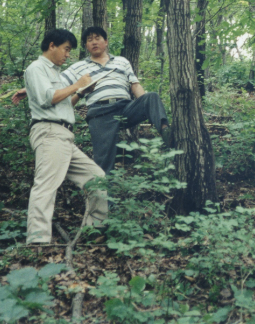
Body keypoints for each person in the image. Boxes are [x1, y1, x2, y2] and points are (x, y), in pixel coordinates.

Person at [11, 28, 108, 245]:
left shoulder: (56, 73)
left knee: (96, 178)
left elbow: (63, 103)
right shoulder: (36, 68)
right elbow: (48, 98)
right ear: (52, 45)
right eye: (65, 49)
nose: (67, 55)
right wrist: (77, 85)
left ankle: (94, 232)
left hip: (64, 136)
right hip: (49, 133)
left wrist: (81, 92)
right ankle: (37, 241)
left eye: (71, 51)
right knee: (46, 186)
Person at [60, 26, 171, 175]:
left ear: (105, 42)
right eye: (89, 40)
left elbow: (135, 85)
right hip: (100, 113)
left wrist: (144, 103)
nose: (93, 42)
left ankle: (166, 132)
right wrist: (28, 90)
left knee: (151, 97)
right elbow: (56, 83)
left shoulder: (122, 61)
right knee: (103, 165)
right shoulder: (79, 67)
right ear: (86, 46)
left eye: (97, 38)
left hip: (125, 108)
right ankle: (105, 197)